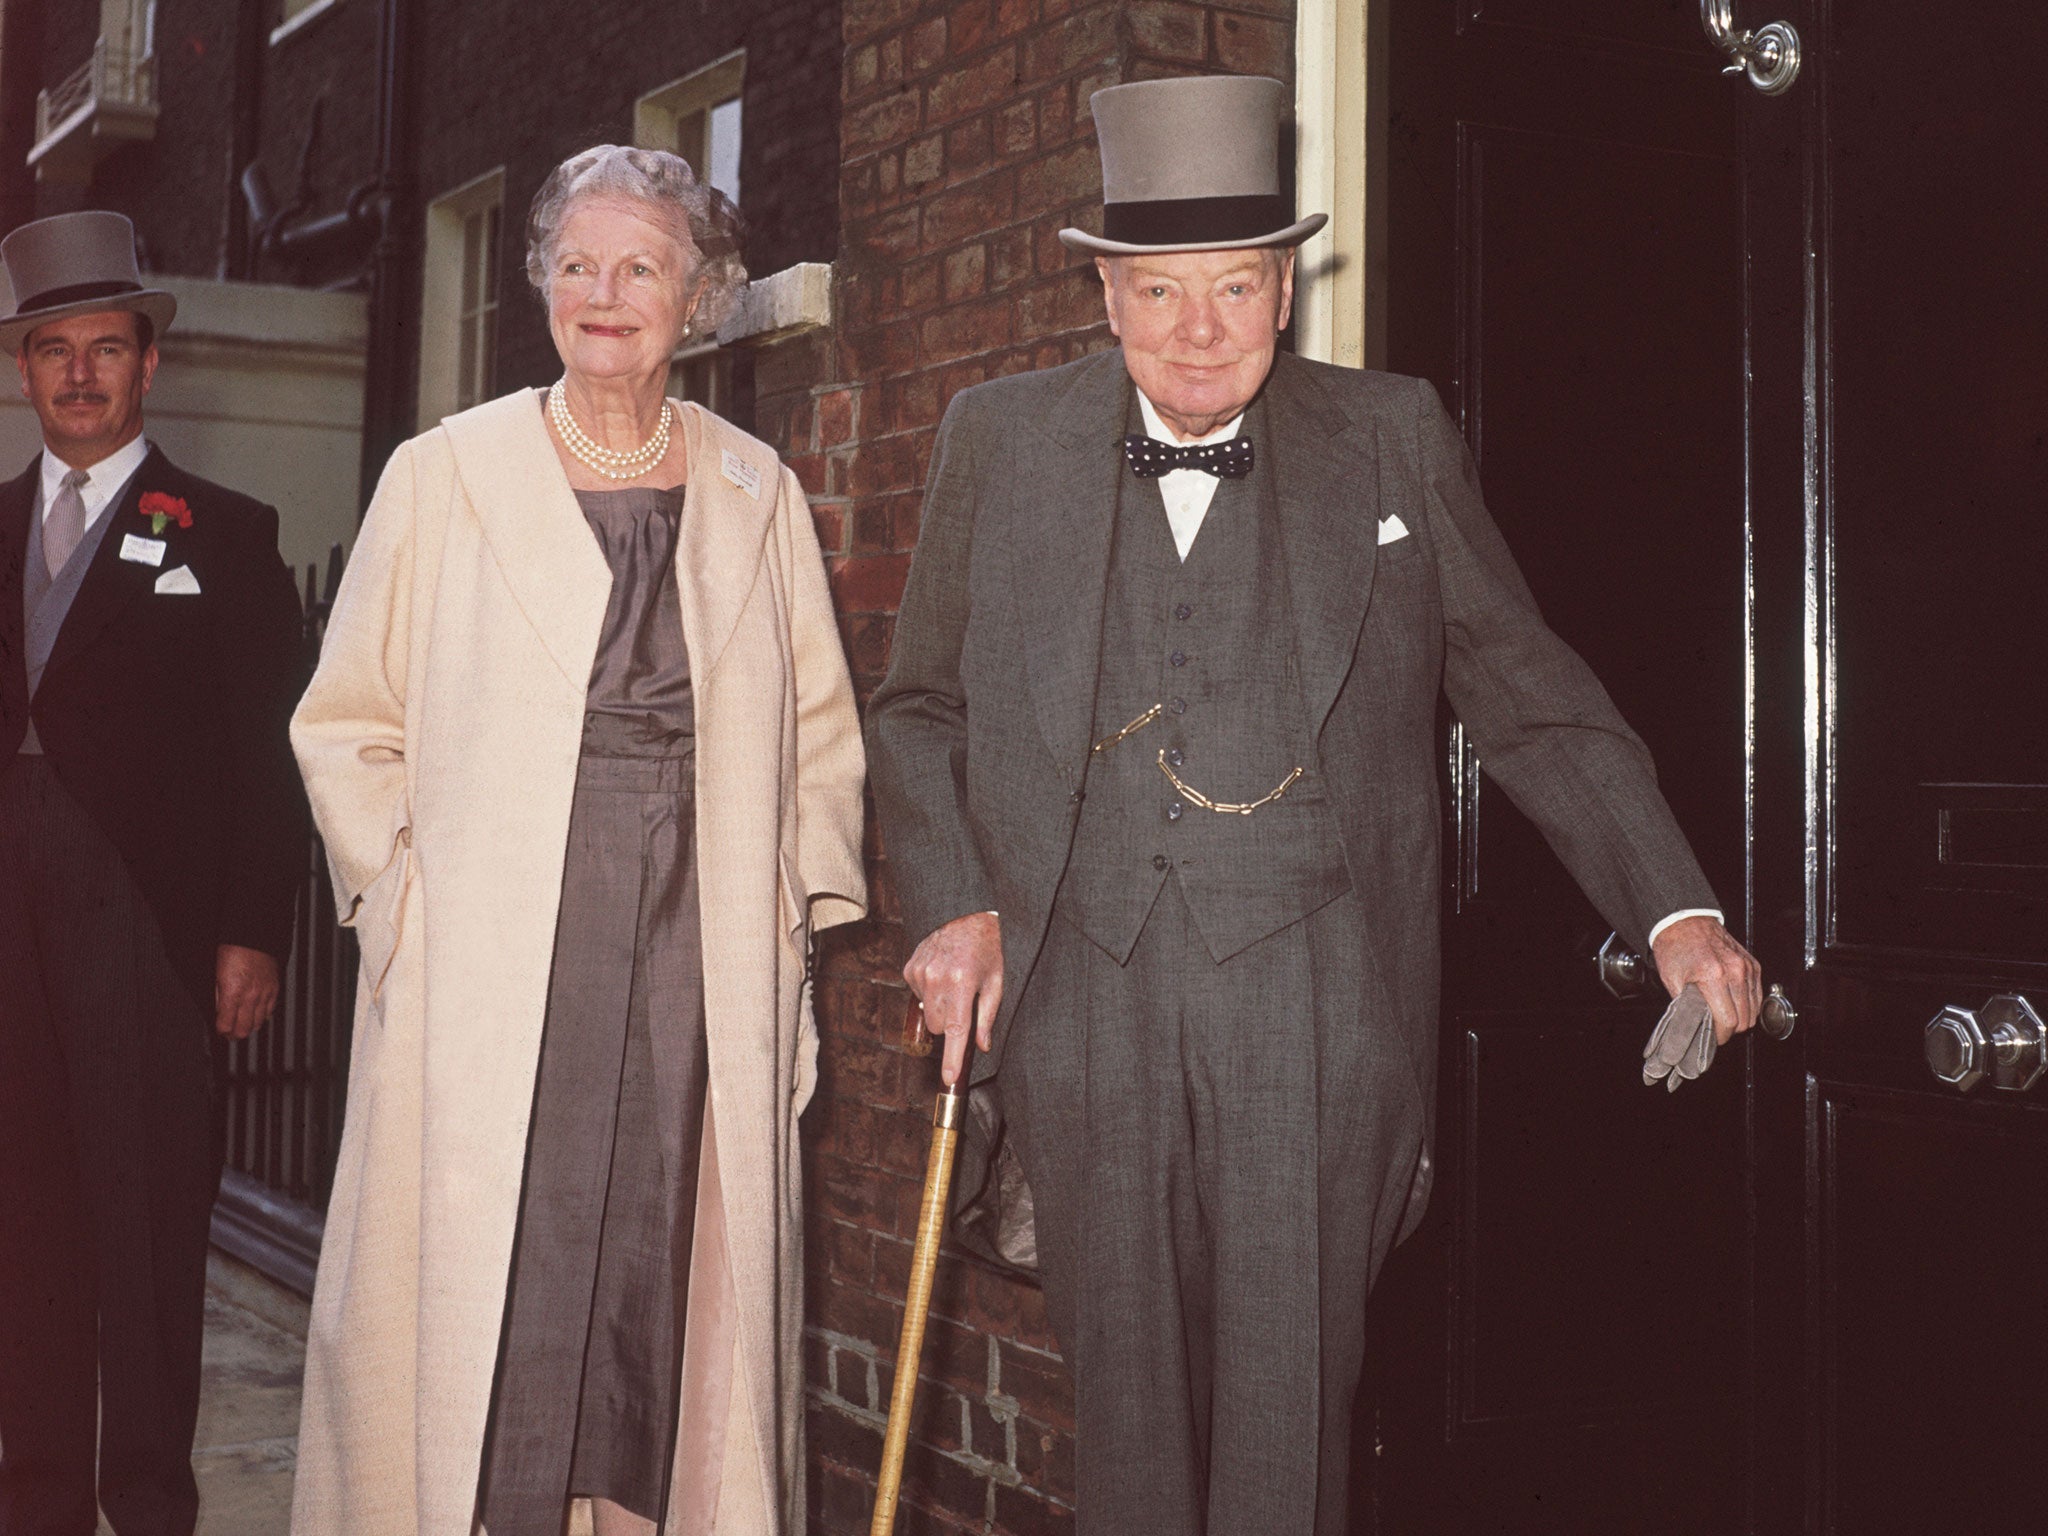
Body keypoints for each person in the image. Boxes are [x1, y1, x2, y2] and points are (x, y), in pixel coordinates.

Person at [865, 76, 1763, 1536]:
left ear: (1285, 285)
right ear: (1105, 295)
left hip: (1319, 999)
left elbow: (1524, 687)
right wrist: (954, 905)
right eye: (1159, 290)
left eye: (1235, 286)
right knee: (1130, 1434)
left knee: (1294, 1429)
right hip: (1079, 995)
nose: (1198, 329)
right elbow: (917, 711)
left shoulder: (1393, 434)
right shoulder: (999, 440)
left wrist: (1674, 908)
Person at [289, 145, 866, 1536]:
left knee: (662, 1272)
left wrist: (790, 921)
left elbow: (821, 741)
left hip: (696, 942)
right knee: (495, 1272)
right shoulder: (447, 475)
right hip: (494, 955)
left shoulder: (755, 489)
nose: (605, 294)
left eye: (644, 267)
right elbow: (345, 719)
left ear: (702, 297)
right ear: (542, 278)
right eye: (579, 262)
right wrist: (402, 903)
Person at [0, 210, 308, 1536]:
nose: (78, 374)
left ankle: (149, 1502)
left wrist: (251, 930)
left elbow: (269, 751)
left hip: (146, 933)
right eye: (51, 350)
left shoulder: (223, 532)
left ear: (148, 366)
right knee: (29, 1239)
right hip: (8, 937)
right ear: (24, 368)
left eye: (104, 349)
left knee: (145, 1242)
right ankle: (45, 1500)